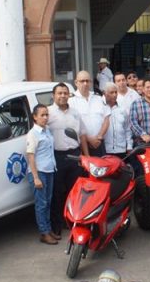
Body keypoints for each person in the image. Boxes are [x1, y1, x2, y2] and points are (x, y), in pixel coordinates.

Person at [47, 83, 89, 233]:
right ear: (54, 95)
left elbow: (82, 134)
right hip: (57, 156)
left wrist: (86, 156)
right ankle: (56, 224)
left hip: (75, 155)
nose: (63, 96)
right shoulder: (48, 113)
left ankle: (71, 221)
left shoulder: (75, 113)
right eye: (60, 93)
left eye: (65, 93)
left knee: (74, 191)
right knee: (57, 192)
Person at [25, 104, 59, 245]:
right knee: (41, 204)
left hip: (49, 169)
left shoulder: (47, 130)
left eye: (47, 115)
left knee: (48, 202)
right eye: (42, 115)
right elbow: (30, 156)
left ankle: (48, 229)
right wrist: (36, 177)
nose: (45, 118)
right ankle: (44, 233)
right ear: (35, 117)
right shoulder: (33, 134)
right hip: (39, 172)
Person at [69, 71, 110, 157]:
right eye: (82, 81)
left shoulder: (98, 98)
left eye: (88, 81)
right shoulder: (71, 101)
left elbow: (106, 119)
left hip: (99, 143)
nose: (85, 83)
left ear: (91, 82)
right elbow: (72, 125)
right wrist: (89, 139)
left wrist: (99, 137)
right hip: (82, 145)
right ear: (76, 83)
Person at [102, 82, 131, 157]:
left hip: (121, 150)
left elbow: (127, 129)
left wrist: (129, 146)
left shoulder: (122, 109)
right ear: (105, 94)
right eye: (111, 92)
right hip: (105, 150)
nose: (114, 95)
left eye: (116, 92)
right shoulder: (101, 108)